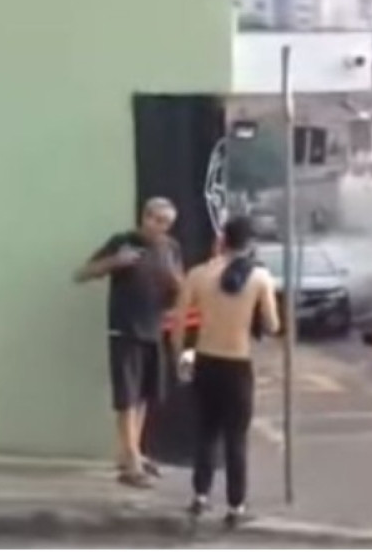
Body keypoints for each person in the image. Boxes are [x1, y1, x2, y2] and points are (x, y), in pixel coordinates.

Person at [172, 215, 280, 528]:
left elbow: (179, 322)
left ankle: (200, 496)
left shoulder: (198, 274)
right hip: (237, 363)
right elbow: (273, 326)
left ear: (222, 240)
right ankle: (236, 505)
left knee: (206, 432)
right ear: (250, 244)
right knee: (236, 437)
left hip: (206, 359)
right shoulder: (259, 278)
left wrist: (179, 355)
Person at [73, 197, 183, 488]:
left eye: (166, 223)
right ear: (144, 217)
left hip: (154, 329)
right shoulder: (123, 242)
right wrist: (115, 262)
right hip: (125, 330)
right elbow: (82, 273)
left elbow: (181, 290)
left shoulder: (171, 249)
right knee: (127, 397)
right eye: (156, 220)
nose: (159, 227)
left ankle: (132, 453)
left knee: (145, 395)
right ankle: (132, 462)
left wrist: (174, 280)